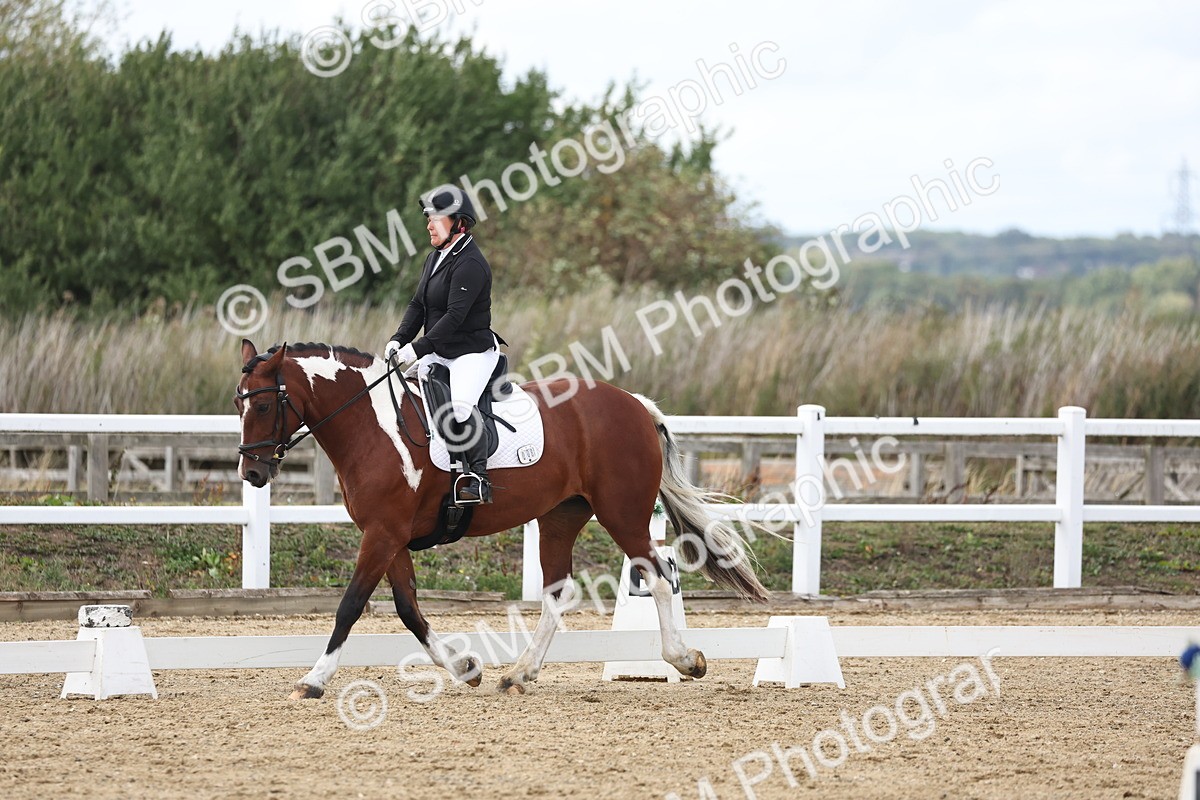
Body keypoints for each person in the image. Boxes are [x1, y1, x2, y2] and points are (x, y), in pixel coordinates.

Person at [385, 187, 504, 504]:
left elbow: (454, 317)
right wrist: (399, 338)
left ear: (459, 224)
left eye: (436, 219)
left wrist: (417, 348)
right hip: (440, 350)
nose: (429, 225)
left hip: (471, 353)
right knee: (403, 394)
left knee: (461, 409)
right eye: (428, 219)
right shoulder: (434, 258)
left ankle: (478, 478)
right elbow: (418, 305)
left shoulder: (471, 263)